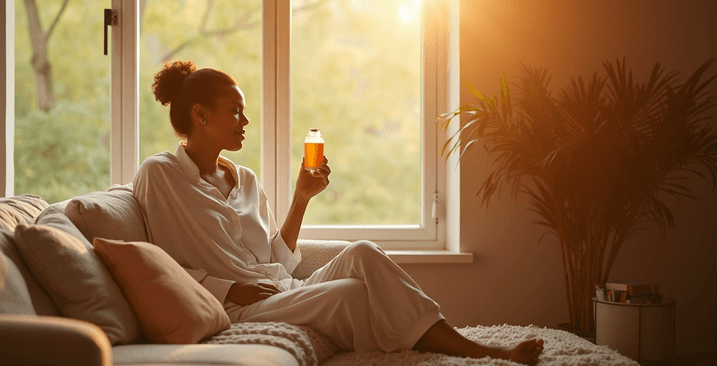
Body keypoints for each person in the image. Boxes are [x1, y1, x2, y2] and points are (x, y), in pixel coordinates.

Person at [133, 60, 544, 365]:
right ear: (200, 115)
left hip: (280, 290)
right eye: (234, 110)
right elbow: (154, 263)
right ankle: (475, 350)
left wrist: (300, 199)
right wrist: (228, 289)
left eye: (243, 110)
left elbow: (276, 259)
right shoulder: (161, 175)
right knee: (349, 295)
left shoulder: (246, 179)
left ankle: (466, 345)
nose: (245, 120)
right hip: (240, 307)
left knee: (362, 250)